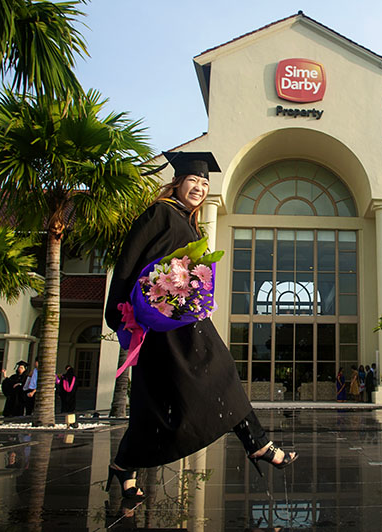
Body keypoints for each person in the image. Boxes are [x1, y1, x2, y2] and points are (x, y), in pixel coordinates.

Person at [104, 151, 297, 498]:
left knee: (163, 394)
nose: (199, 187)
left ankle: (124, 468)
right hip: (160, 318)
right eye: (193, 180)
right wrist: (121, 310)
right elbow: (129, 259)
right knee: (207, 375)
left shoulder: (190, 222)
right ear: (178, 182)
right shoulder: (160, 212)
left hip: (181, 314)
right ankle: (258, 444)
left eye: (205, 183)